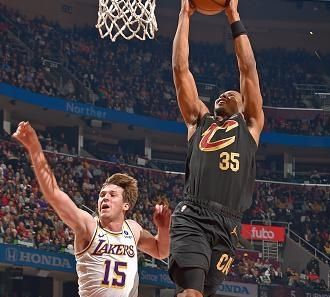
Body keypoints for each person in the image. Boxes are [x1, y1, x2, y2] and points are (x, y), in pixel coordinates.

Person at [12, 121, 171, 297]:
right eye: (102, 194)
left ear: (126, 205)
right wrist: (35, 149)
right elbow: (53, 193)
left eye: (112, 195)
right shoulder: (89, 226)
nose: (105, 198)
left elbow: (160, 251)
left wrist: (163, 228)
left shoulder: (133, 229)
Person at [170, 0, 264, 296]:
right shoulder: (199, 120)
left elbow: (247, 69)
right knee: (192, 292)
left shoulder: (250, 124)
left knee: (204, 293)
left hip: (229, 225)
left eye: (231, 94)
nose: (224, 94)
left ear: (244, 104)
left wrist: (233, 15)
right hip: (194, 215)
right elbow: (180, 68)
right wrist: (184, 15)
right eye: (221, 94)